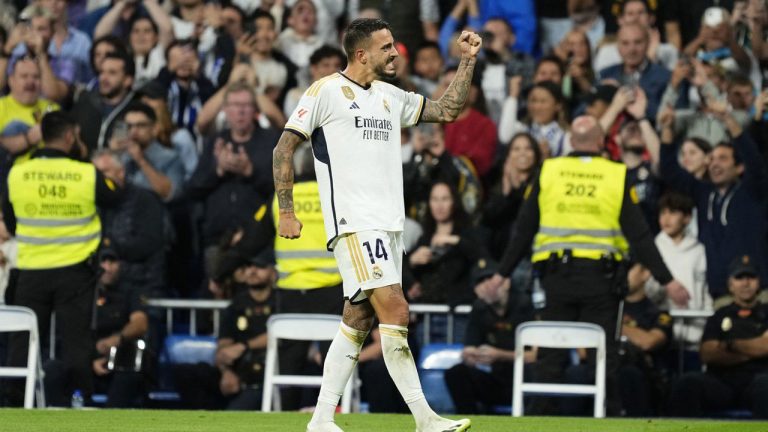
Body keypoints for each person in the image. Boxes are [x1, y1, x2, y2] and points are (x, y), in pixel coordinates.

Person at [273, 18, 481, 432]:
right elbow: (285, 146)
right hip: (355, 223)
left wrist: (467, 61)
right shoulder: (325, 91)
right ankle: (424, 418)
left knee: (359, 319)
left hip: (389, 225)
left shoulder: (390, 96)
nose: (395, 53)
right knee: (397, 310)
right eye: (386, 47)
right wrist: (286, 211)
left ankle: (319, 419)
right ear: (362, 53)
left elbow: (447, 110)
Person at [491, 115, 687, 415]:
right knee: (602, 353)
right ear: (600, 142)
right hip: (601, 280)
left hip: (557, 277)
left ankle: (539, 415)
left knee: (552, 353)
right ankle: (608, 412)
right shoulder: (615, 174)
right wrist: (667, 280)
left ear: (571, 142)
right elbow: (640, 235)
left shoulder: (549, 171)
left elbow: (523, 229)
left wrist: (502, 274)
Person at [2, 111, 122, 404]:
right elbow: (114, 197)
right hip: (75, 272)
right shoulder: (85, 173)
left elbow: (12, 221)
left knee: (24, 344)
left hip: (31, 270)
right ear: (70, 136)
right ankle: (78, 402)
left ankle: (14, 406)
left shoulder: (17, 173)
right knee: (76, 346)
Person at [659, 106, 768, 300]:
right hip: (720, 293)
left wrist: (727, 118)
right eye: (712, 159)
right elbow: (670, 171)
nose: (715, 164)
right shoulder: (704, 193)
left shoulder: (753, 191)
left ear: (739, 167)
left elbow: (753, 158)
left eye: (723, 159)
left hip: (758, 292)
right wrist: (667, 128)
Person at [270, 142, 343, 410]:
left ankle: (286, 414)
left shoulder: (281, 199)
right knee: (335, 360)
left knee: (290, 363)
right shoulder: (334, 195)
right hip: (331, 288)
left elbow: (257, 239)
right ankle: (335, 413)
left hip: (291, 291)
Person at [667, 255, 768, 418]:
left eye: (750, 277)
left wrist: (730, 345)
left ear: (758, 283)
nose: (745, 283)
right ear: (730, 284)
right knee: (688, 383)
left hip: (758, 379)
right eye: (739, 277)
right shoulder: (719, 315)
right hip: (722, 381)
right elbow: (707, 353)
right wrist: (755, 349)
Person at [45, 250, 150, 407]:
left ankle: (113, 423)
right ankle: (59, 421)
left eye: (112, 262)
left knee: (129, 375)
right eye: (103, 262)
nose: (107, 267)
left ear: (120, 264)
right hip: (84, 357)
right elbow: (70, 330)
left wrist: (116, 339)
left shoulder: (130, 291)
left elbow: (140, 323)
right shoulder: (82, 291)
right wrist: (89, 359)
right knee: (52, 369)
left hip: (120, 358)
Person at [174, 248, 275, 410]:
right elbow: (223, 345)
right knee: (186, 372)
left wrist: (244, 346)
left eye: (259, 267)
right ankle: (201, 419)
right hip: (238, 370)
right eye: (248, 267)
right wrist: (225, 371)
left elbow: (280, 335)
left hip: (265, 372)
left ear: (272, 272)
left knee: (242, 403)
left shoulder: (281, 301)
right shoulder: (236, 306)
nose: (252, 271)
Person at [444, 258, 535, 414]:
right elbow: (469, 347)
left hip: (527, 382)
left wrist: (500, 355)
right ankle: (469, 422)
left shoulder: (525, 305)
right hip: (498, 381)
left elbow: (535, 356)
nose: (486, 285)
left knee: (537, 372)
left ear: (506, 282)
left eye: (490, 278)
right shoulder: (479, 309)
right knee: (456, 373)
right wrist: (470, 356)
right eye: (480, 282)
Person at [111, 102, 184, 202]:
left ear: (154, 128)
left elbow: (170, 194)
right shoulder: (122, 156)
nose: (133, 131)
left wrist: (141, 160)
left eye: (140, 125)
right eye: (129, 126)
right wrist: (112, 155)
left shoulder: (170, 158)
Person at [72, 51, 137, 151]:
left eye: (112, 73)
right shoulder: (85, 102)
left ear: (127, 80)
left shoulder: (136, 111)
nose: (103, 78)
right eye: (102, 72)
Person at [0, 57, 59, 156]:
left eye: (36, 77)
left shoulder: (53, 109)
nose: (30, 82)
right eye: (24, 76)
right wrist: (28, 139)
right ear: (11, 80)